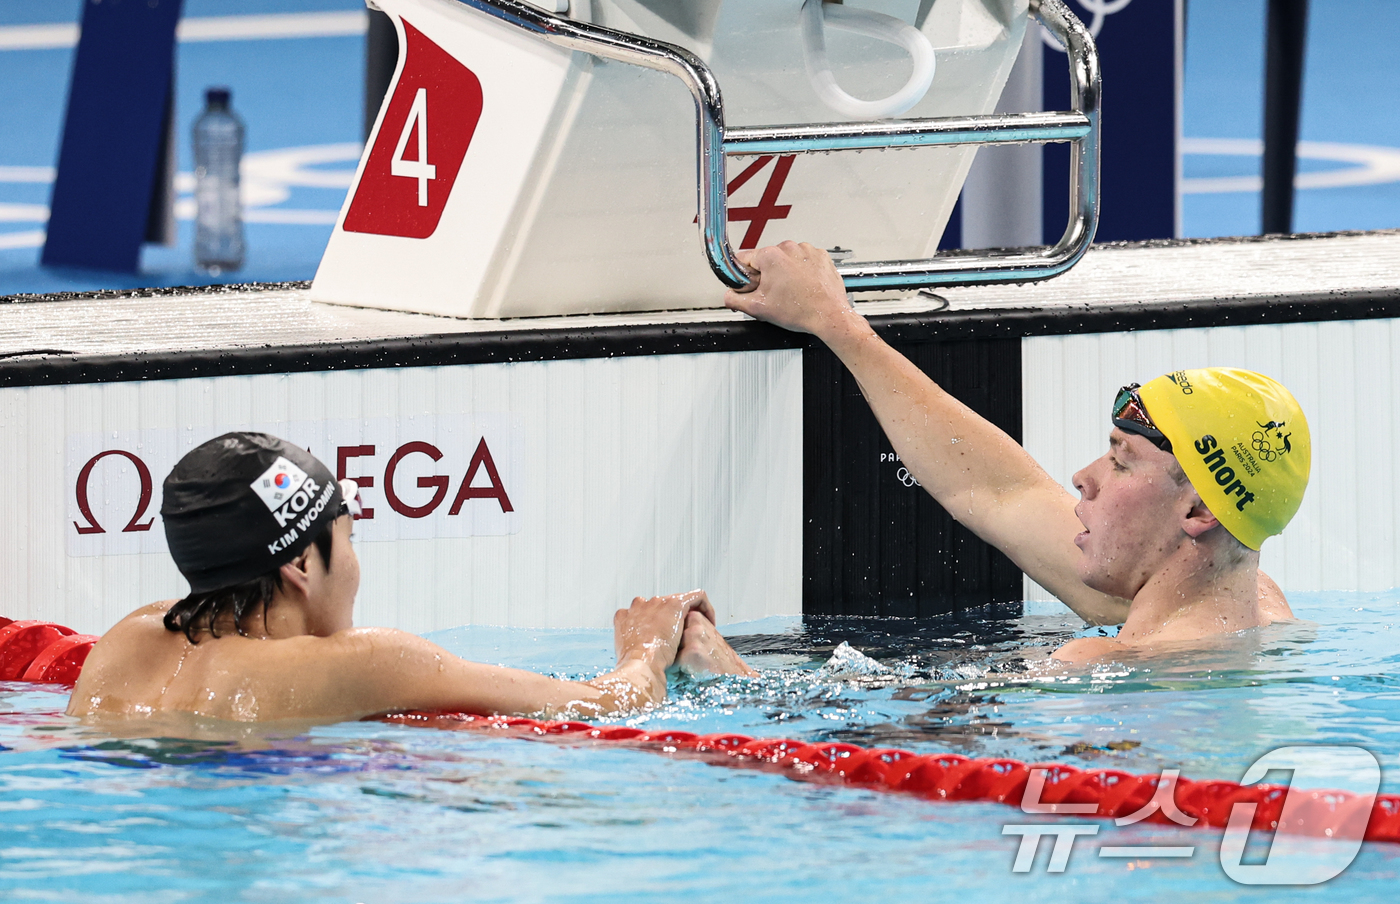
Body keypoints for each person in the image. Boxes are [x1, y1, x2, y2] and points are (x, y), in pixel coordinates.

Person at [721, 243, 1311, 663]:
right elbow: (1002, 490)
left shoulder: (1106, 669)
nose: (1083, 477)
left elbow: (905, 754)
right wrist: (836, 323)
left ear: (1198, 514)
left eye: (1121, 460)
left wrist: (706, 669)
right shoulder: (1256, 604)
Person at [68, 432, 751, 724]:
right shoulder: (362, 662)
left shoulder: (127, 638)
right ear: (304, 565)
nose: (357, 563)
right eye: (350, 540)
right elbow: (600, 707)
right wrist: (648, 647)